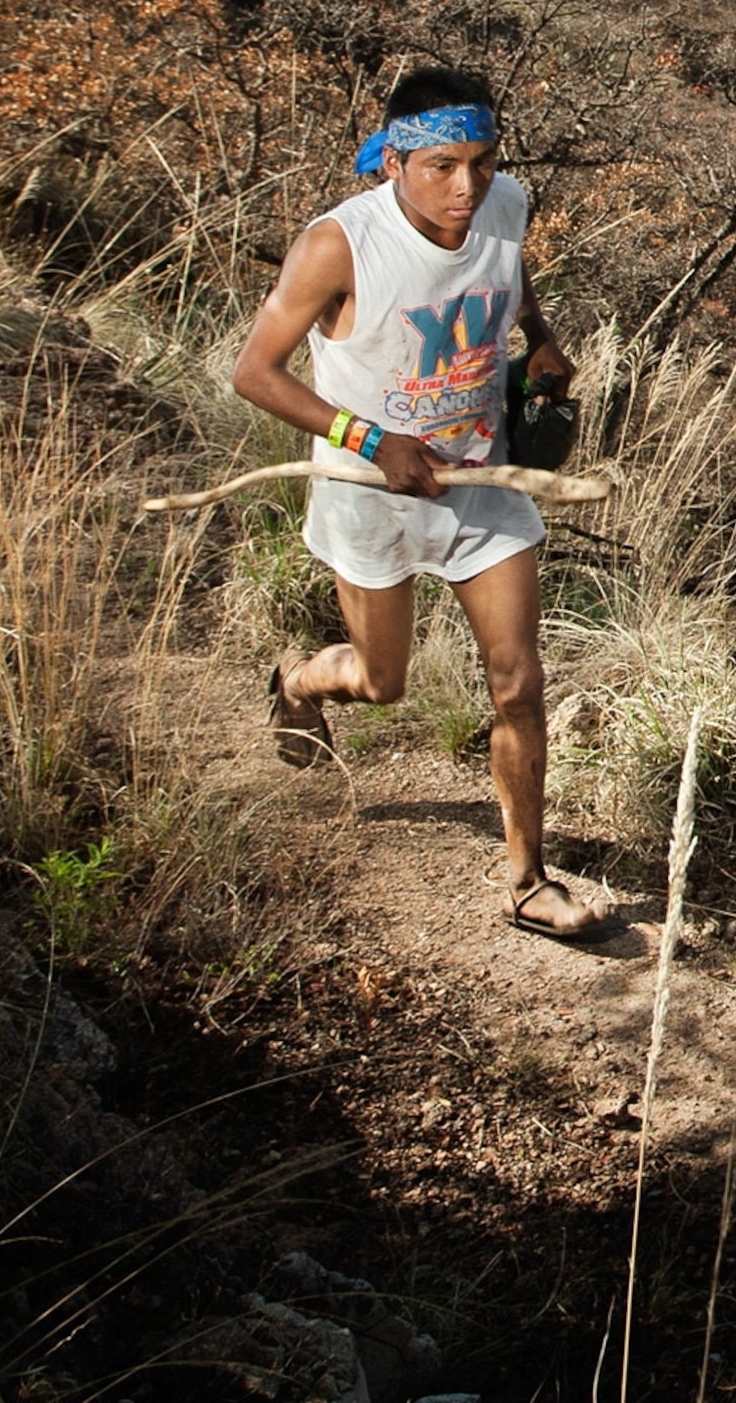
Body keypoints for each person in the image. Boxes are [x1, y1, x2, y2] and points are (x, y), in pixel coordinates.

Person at [231, 67, 604, 939]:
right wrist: (372, 441)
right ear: (393, 161)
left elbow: (507, 275)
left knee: (517, 683)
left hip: (481, 480)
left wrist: (539, 342)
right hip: (370, 493)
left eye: (481, 162)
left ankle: (527, 881)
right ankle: (298, 680)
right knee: (382, 681)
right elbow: (255, 372)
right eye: (442, 166)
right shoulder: (340, 246)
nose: (465, 186)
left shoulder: (501, 204)